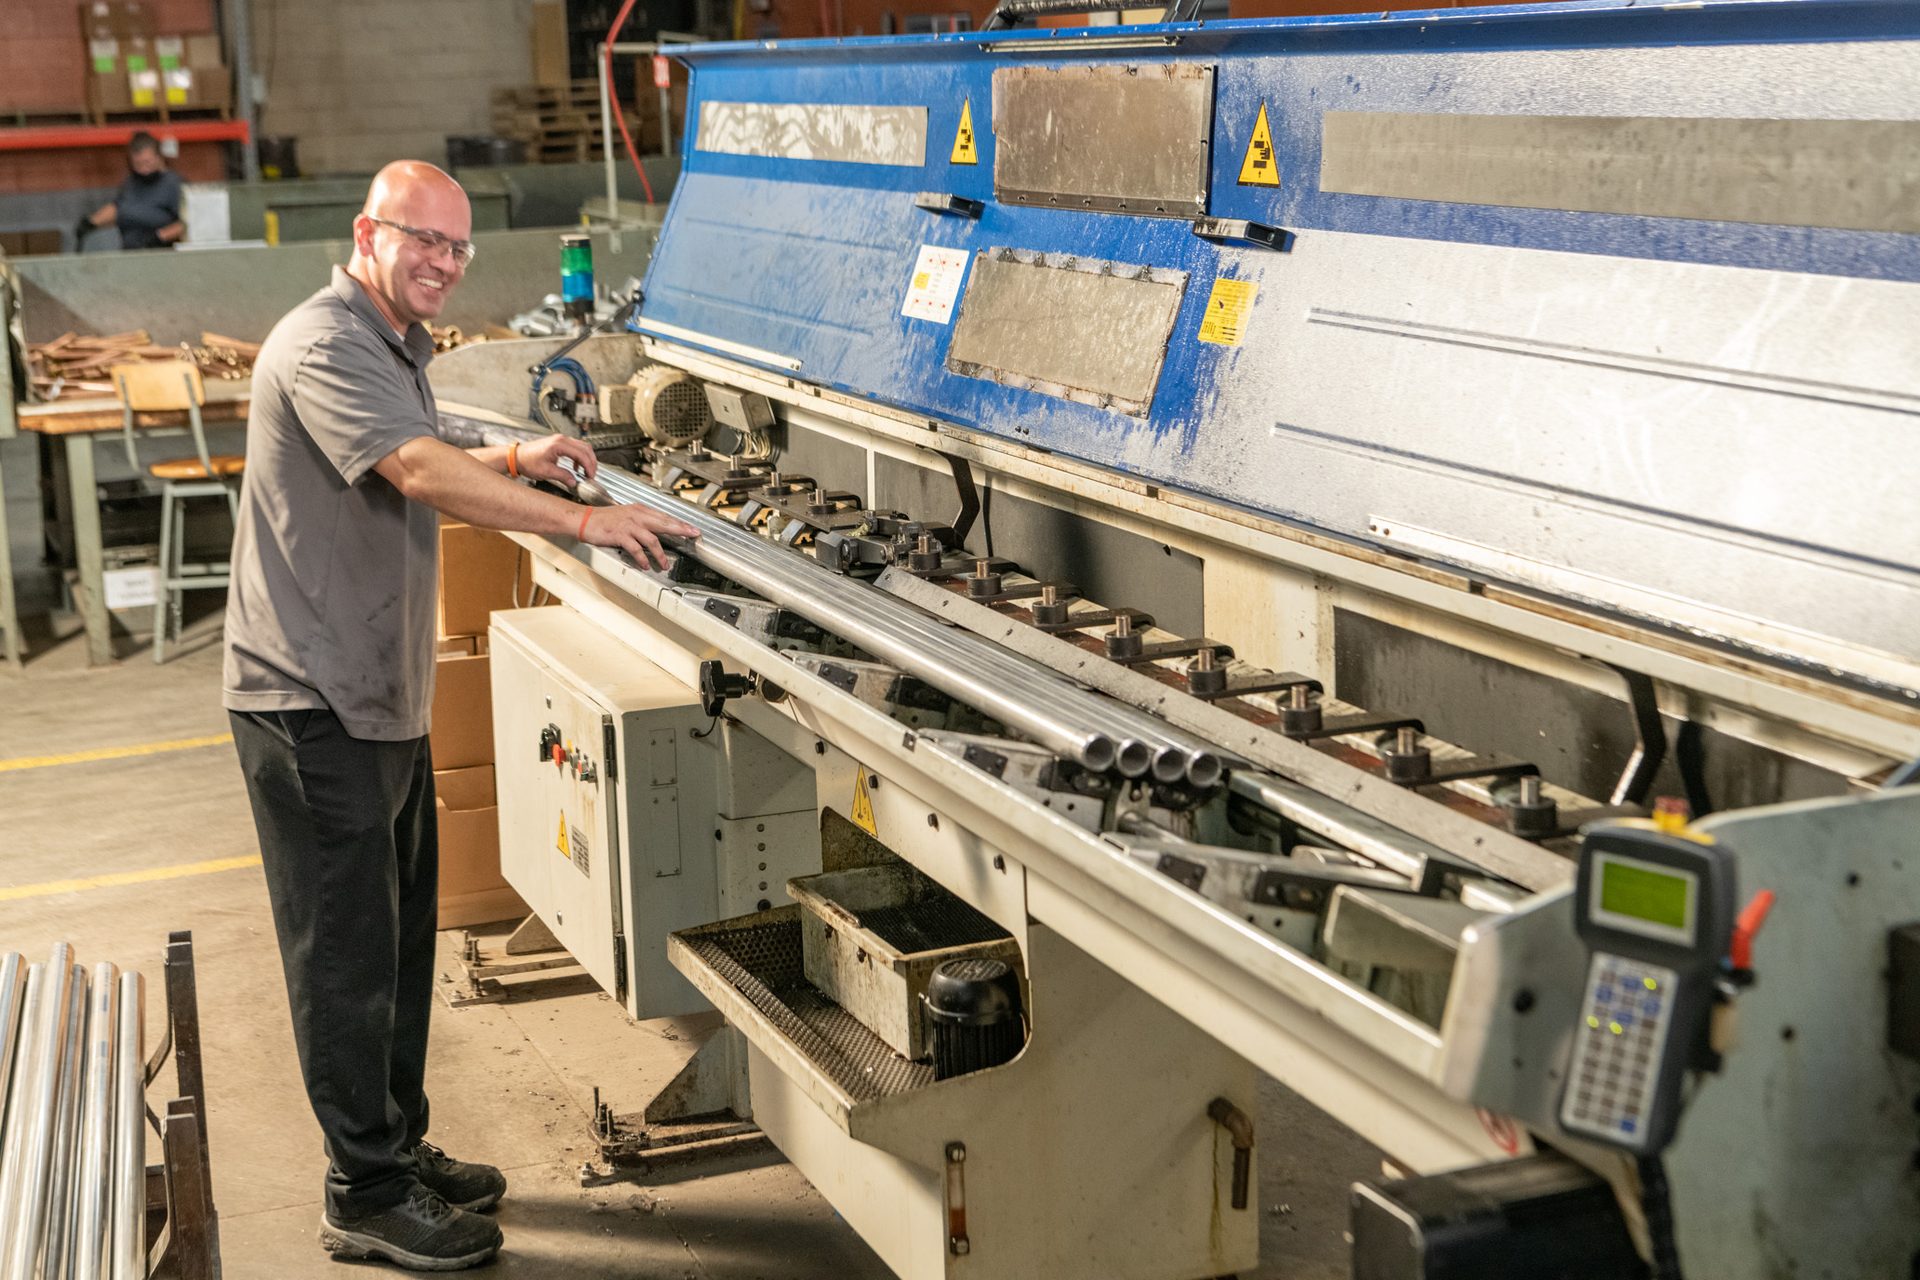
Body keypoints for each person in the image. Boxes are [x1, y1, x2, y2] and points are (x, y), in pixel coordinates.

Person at [222, 160, 697, 1271]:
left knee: (395, 938)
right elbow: (418, 469)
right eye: (420, 240)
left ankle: (395, 1146)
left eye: (456, 247)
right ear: (367, 234)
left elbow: (412, 460)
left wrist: (520, 453)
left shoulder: (395, 341)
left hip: (375, 692)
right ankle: (363, 1190)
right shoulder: (325, 338)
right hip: (309, 699)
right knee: (345, 955)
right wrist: (575, 524)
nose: (440, 262)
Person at [79, 132, 184, 250]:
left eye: (147, 162)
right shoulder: (131, 182)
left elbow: (187, 223)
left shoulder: (173, 184)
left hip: (160, 252)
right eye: (138, 164)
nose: (144, 170)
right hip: (130, 251)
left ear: (159, 158)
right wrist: (91, 223)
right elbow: (119, 207)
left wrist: (160, 236)